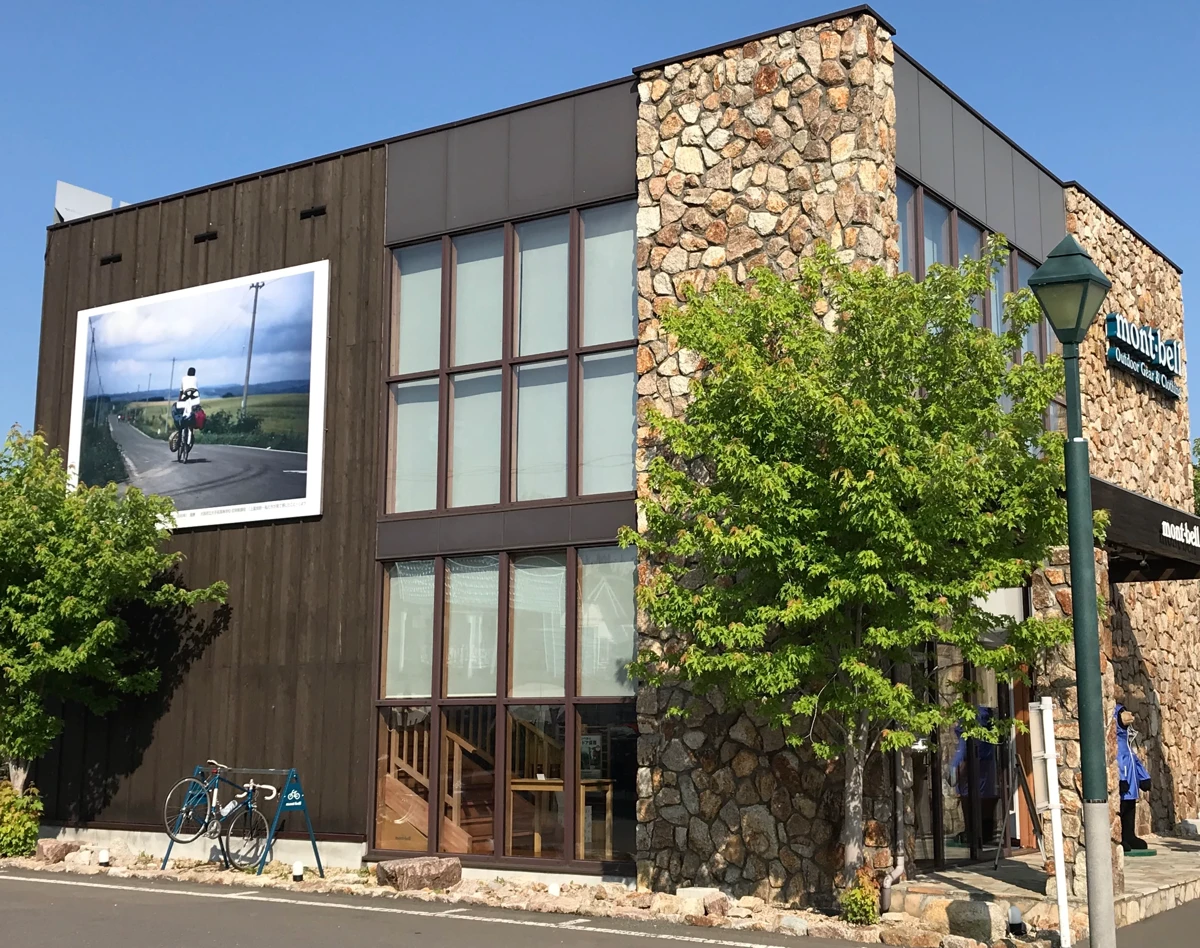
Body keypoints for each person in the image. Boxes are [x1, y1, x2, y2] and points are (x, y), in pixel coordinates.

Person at [1115, 703, 1151, 852]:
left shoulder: (1127, 744)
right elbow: (1117, 763)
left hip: (1132, 787)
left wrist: (1144, 777)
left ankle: (1129, 835)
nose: (1128, 714)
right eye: (1122, 712)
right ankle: (1121, 837)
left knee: (1130, 809)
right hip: (1124, 786)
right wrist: (1121, 779)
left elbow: (1135, 761)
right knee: (1122, 809)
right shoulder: (1116, 745)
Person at [169, 368, 203, 455]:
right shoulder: (195, 379)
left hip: (184, 400)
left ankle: (180, 437)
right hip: (194, 401)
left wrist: (180, 401)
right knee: (192, 417)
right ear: (194, 373)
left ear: (187, 373)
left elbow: (181, 392)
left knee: (182, 418)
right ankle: (190, 434)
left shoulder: (183, 379)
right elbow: (196, 391)